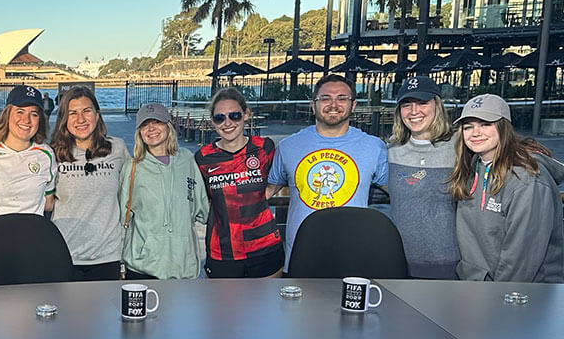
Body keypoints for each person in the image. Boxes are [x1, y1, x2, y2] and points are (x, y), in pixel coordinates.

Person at [267, 74, 389, 272]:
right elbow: (267, 190)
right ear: (313, 104)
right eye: (325, 98)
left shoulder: (374, 147)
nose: (334, 104)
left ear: (353, 104)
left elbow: (400, 194)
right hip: (302, 255)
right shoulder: (288, 146)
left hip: (355, 257)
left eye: (342, 98)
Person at [448, 94, 564, 283]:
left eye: (485, 124)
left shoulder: (527, 180)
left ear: (504, 128)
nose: (475, 133)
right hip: (477, 291)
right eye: (468, 127)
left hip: (520, 296)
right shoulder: (472, 168)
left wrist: (499, 299)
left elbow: (522, 257)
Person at [194, 87, 283, 278]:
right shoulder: (203, 157)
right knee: (224, 309)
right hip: (223, 250)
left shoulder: (264, 147)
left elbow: (283, 174)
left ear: (246, 114)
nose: (227, 123)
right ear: (213, 122)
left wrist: (265, 194)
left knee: (267, 307)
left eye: (234, 115)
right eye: (220, 118)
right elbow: (202, 198)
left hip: (265, 245)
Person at [119, 103, 208, 280]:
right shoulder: (132, 167)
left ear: (168, 126)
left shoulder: (187, 159)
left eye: (157, 122)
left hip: (183, 264)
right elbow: (122, 218)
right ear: (139, 133)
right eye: (145, 124)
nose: (151, 128)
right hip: (144, 265)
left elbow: (202, 209)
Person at [50, 86, 130, 281]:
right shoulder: (52, 154)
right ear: (64, 120)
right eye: (73, 113)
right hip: (65, 254)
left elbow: (134, 192)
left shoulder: (117, 148)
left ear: (97, 114)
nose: (81, 119)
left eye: (86, 111)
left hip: (107, 255)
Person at [387, 76, 458, 278]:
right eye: (407, 105)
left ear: (437, 105)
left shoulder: (460, 146)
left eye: (422, 103)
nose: (414, 111)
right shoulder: (391, 150)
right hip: (398, 262)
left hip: (449, 263)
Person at [0, 85, 56, 220]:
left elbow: (48, 203)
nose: (26, 120)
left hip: (33, 237)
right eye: (20, 112)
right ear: (7, 115)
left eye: (33, 114)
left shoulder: (46, 155)